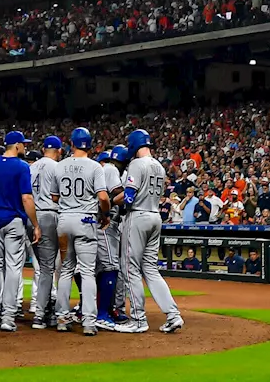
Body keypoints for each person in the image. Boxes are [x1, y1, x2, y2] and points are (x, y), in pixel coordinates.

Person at [116, 129, 183, 335]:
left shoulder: (137, 164)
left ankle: (138, 319)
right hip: (155, 217)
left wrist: (115, 208)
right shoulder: (159, 166)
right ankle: (173, 315)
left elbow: (128, 197)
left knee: (129, 268)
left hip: (138, 216)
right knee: (151, 270)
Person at [53, 128, 107, 336]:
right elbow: (102, 197)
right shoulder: (95, 167)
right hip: (85, 219)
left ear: (72, 144)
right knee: (87, 271)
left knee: (66, 270)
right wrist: (106, 213)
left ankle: (62, 318)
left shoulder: (60, 166)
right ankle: (89, 322)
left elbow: (55, 197)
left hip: (65, 220)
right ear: (90, 145)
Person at [0, 130, 39, 332]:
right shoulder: (22, 166)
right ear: (16, 146)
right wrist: (36, 224)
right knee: (14, 268)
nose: (25, 146)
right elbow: (26, 198)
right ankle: (7, 317)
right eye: (23, 144)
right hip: (15, 221)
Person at [28, 135, 61, 329]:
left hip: (31, 217)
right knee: (49, 268)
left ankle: (47, 308)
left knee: (43, 267)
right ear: (59, 151)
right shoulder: (57, 167)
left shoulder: (31, 167)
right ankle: (41, 314)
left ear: (42, 150)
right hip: (49, 215)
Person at [93, 146, 126, 330]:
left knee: (93, 269)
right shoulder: (111, 168)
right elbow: (119, 193)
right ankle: (102, 313)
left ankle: (87, 308)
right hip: (105, 222)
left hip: (90, 221)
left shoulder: (101, 170)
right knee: (111, 266)